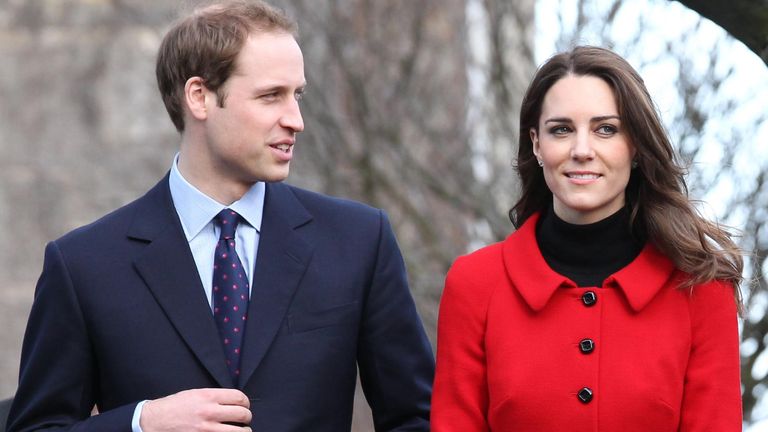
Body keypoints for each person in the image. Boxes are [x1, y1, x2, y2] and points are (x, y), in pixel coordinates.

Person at [7, 1, 434, 431]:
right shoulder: (84, 264)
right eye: (271, 96)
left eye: (297, 95)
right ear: (200, 97)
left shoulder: (359, 240)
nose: (296, 120)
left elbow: (417, 417)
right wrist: (142, 423)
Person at [431, 45, 743, 431]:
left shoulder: (702, 288)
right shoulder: (475, 284)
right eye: (561, 129)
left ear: (634, 147)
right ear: (536, 143)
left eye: (606, 129)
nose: (582, 150)